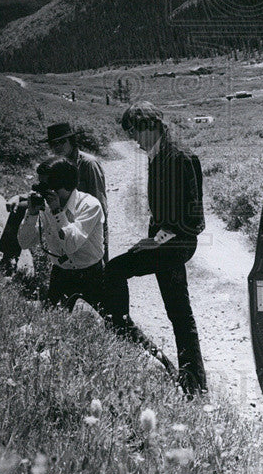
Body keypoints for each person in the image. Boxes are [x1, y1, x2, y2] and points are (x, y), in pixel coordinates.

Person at [101, 102, 207, 396]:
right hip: (164, 242)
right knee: (179, 311)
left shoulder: (181, 156)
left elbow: (194, 218)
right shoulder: (157, 154)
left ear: (150, 125)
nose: (133, 139)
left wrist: (157, 239)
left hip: (176, 244)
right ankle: (195, 383)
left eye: (134, 132)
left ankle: (123, 336)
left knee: (115, 270)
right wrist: (155, 236)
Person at [17, 156, 105, 310]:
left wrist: (57, 212)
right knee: (54, 324)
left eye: (47, 187)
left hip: (90, 275)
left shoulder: (89, 206)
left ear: (65, 186)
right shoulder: (45, 204)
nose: (43, 192)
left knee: (112, 323)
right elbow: (25, 243)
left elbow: (71, 245)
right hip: (60, 274)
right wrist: (31, 215)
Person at [46, 123, 109, 262]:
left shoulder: (88, 164)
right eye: (53, 144)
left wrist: (102, 236)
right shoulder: (55, 166)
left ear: (71, 141)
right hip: (65, 225)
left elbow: (100, 203)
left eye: (62, 142)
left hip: (89, 224)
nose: (58, 147)